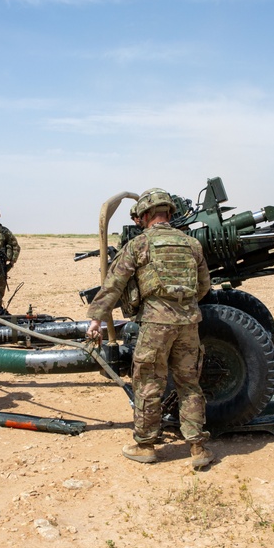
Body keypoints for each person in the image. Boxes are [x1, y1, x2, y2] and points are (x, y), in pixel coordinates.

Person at [86, 188, 214, 468]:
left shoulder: (139, 244)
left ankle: (145, 445)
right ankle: (197, 448)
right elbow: (204, 285)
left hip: (156, 324)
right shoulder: (192, 244)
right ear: (168, 212)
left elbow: (113, 284)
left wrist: (96, 318)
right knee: (189, 384)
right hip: (188, 324)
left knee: (148, 384)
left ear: (145, 215)